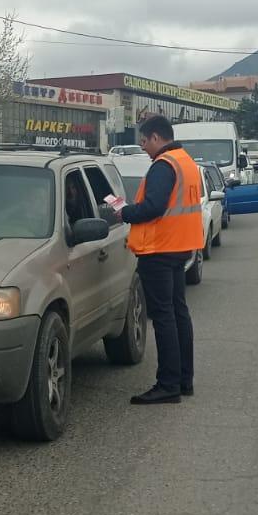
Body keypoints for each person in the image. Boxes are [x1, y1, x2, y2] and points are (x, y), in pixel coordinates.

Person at [110, 115, 203, 403]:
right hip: (180, 247)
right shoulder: (184, 161)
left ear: (156, 138)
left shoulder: (163, 166)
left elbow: (153, 207)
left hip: (159, 250)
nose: (142, 145)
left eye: (144, 139)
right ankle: (183, 380)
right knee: (177, 313)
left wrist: (125, 212)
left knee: (163, 318)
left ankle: (168, 385)